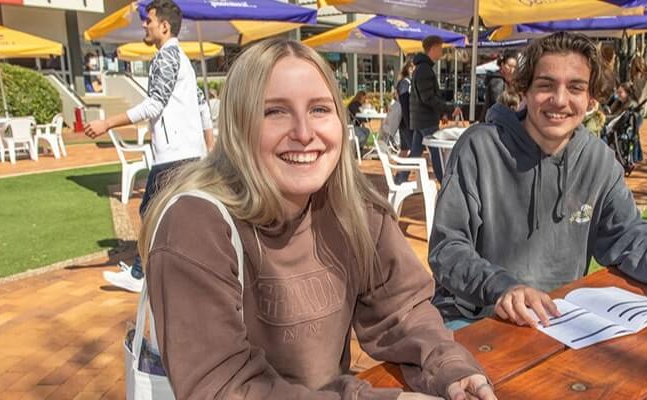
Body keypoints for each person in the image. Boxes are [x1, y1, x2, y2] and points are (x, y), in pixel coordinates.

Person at [141, 38, 496, 400]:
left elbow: (403, 311)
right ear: (237, 125)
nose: (304, 133)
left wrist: (449, 367)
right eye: (274, 111)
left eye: (320, 110)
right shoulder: (195, 224)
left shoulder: (352, 208)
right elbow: (223, 387)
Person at [429, 32, 647, 331]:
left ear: (591, 99)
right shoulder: (479, 147)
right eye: (545, 85)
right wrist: (503, 287)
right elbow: (447, 248)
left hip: (558, 321)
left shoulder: (598, 159)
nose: (559, 100)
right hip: (473, 316)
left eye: (575, 87)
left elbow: (630, 236)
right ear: (525, 91)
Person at [84, 0, 214, 293]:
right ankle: (189, 270)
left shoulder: (166, 58)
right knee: (180, 215)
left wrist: (107, 123)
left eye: (149, 21)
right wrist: (209, 148)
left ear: (164, 27)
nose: (145, 25)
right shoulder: (183, 60)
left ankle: (142, 273)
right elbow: (202, 104)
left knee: (151, 211)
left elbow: (155, 104)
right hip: (189, 154)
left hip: (175, 155)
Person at [396, 35, 462, 185]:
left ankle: (401, 179)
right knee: (436, 152)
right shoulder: (425, 70)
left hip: (420, 119)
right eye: (440, 48)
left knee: (416, 152)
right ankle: (445, 184)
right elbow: (428, 98)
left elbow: (426, 97)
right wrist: (448, 108)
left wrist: (443, 111)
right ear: (433, 48)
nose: (441, 51)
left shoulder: (421, 68)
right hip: (426, 119)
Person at [481, 50, 519, 121]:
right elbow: (499, 105)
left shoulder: (512, 83)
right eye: (509, 66)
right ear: (502, 65)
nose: (512, 70)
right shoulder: (497, 82)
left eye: (515, 67)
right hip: (495, 124)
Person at [627, 56, 647, 163]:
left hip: (639, 107)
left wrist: (636, 100)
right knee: (635, 132)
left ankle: (636, 155)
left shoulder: (645, 77)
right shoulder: (638, 77)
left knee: (634, 132)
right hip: (637, 106)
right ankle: (638, 155)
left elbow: (642, 94)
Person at [395, 61, 415, 157]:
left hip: (403, 120)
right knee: (414, 149)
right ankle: (403, 172)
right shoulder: (405, 83)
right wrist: (409, 122)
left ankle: (401, 172)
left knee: (405, 149)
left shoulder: (405, 82)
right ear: (410, 69)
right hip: (406, 121)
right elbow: (404, 102)